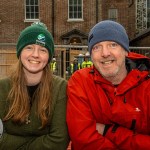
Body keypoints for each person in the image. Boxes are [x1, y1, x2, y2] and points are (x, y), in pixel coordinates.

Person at [67, 20, 150, 150]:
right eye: (97, 47)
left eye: (113, 44)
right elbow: (83, 139)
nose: (105, 53)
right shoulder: (81, 81)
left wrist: (108, 131)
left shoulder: (146, 84)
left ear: (126, 51)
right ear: (91, 56)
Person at [0, 22, 69, 149]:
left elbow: (59, 140)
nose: (35, 54)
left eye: (43, 50)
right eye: (29, 47)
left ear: (49, 56)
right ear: (20, 52)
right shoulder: (2, 88)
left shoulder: (60, 88)